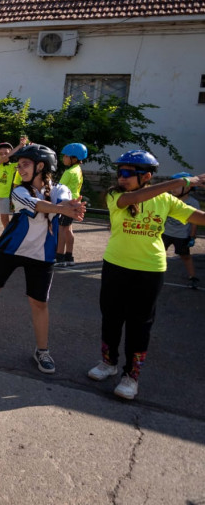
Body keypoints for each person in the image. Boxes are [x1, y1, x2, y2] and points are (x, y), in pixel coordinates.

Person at [0, 144, 86, 375]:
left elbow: (63, 201)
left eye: (25, 164)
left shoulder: (60, 188)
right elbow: (41, 206)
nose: (20, 168)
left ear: (41, 166)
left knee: (39, 303)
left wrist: (71, 206)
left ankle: (42, 350)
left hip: (42, 254)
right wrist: (64, 210)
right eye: (19, 164)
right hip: (10, 249)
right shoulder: (19, 191)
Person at [87, 154, 204, 399]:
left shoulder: (165, 200)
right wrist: (183, 181)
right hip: (115, 266)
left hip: (150, 270)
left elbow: (197, 218)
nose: (122, 177)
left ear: (146, 176)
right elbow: (134, 199)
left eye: (128, 173)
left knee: (139, 324)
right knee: (111, 317)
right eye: (120, 172)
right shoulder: (116, 195)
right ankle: (109, 363)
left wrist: (183, 186)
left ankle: (131, 376)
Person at [162, 172, 200, 289]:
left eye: (177, 186)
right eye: (172, 186)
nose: (173, 189)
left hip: (182, 235)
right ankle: (152, 272)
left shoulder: (193, 203)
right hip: (165, 233)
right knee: (159, 254)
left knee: (185, 256)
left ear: (188, 187)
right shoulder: (168, 200)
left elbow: (194, 222)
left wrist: (192, 237)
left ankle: (192, 276)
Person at [54, 142, 87, 266]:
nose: (64, 158)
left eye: (66, 156)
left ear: (74, 158)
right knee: (68, 230)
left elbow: (59, 188)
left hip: (67, 203)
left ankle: (59, 257)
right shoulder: (77, 170)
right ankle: (69, 256)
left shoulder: (69, 172)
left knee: (61, 229)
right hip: (75, 202)